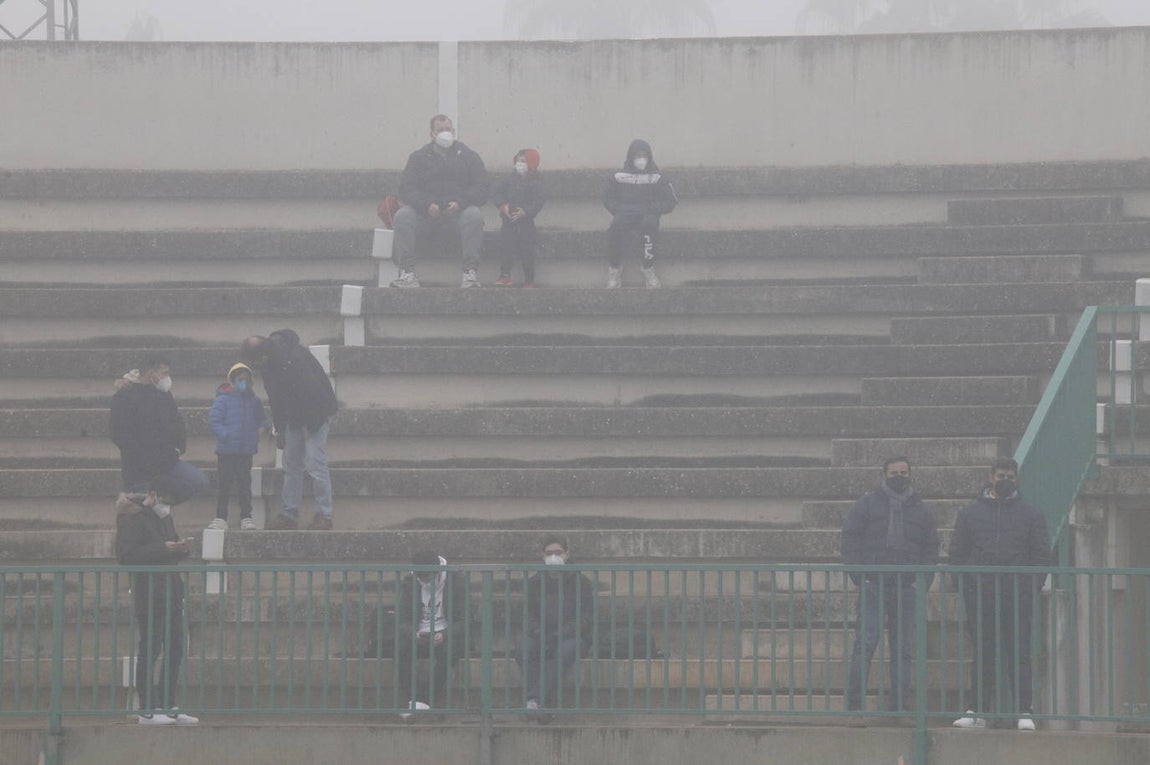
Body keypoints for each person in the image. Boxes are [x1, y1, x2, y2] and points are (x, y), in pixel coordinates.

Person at [949, 458, 1051, 732]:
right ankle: (977, 710)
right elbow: (957, 552)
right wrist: (965, 586)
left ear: (1016, 479)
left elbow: (1041, 555)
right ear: (991, 477)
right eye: (1001, 476)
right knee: (983, 652)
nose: (1005, 481)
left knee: (1019, 652)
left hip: (1017, 595)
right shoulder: (969, 514)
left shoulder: (1031, 514)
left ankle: (1024, 710)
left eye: (1010, 476)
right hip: (980, 594)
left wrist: (1031, 587)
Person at [840, 457, 939, 721]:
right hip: (874, 585)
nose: (899, 476)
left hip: (906, 587)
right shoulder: (866, 504)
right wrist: (859, 576)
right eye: (894, 472)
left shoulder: (921, 510)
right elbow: (850, 539)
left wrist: (922, 580)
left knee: (902, 651)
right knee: (865, 647)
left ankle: (898, 709)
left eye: (903, 472)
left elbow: (931, 547)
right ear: (884, 474)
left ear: (910, 474)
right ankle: (855, 709)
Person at [115, 480, 198, 725]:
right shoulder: (132, 518)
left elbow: (169, 548)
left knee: (175, 648)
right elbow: (127, 555)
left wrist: (182, 549)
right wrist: (163, 548)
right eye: (166, 500)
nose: (168, 506)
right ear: (153, 495)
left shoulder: (164, 518)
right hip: (149, 592)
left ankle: (167, 704)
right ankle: (147, 709)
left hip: (171, 590)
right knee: (150, 649)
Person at [240, 330, 338, 530]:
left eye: (255, 362)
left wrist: (310, 426)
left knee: (315, 462)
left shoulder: (296, 358)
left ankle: (324, 515)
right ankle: (289, 514)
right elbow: (276, 399)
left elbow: (312, 393)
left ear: (263, 355)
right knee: (291, 464)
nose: (255, 367)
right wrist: (281, 429)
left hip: (317, 413)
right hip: (294, 417)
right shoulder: (269, 366)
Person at [390, 114, 490, 289]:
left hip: (458, 217)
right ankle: (407, 273)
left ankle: (470, 274)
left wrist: (459, 203)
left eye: (448, 129)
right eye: (440, 130)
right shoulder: (418, 157)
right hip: (425, 216)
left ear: (453, 131)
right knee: (403, 215)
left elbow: (482, 187)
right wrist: (427, 204)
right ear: (432, 134)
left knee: (474, 215)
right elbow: (406, 189)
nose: (445, 133)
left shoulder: (469, 156)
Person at [109, 354, 208, 506]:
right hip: (138, 469)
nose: (167, 378)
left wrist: (178, 449)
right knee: (145, 509)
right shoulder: (124, 396)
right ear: (151, 373)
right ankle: (157, 509)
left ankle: (161, 507)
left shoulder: (164, 394)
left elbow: (178, 424)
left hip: (167, 462)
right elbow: (119, 434)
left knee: (199, 481)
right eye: (164, 373)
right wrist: (144, 458)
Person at [516, 537, 596, 724]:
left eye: (558, 552)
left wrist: (559, 634)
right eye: (549, 553)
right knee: (524, 649)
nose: (554, 556)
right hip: (540, 635)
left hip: (573, 636)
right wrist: (540, 633)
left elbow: (585, 617)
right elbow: (528, 616)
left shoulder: (581, 581)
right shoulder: (535, 582)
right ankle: (543, 704)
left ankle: (534, 699)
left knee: (565, 651)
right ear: (542, 556)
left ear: (567, 554)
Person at [393, 551, 470, 720]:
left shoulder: (455, 582)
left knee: (449, 652)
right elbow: (402, 620)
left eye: (426, 577)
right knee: (401, 649)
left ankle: (422, 700)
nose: (423, 581)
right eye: (420, 577)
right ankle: (414, 700)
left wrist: (444, 634)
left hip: (446, 634)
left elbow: (465, 620)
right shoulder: (411, 582)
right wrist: (413, 633)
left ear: (437, 572)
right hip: (419, 633)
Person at [602, 138, 678, 289]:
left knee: (649, 226)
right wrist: (618, 209)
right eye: (637, 156)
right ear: (631, 157)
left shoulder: (658, 177)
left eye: (644, 155)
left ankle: (647, 267)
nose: (641, 159)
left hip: (648, 213)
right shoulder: (619, 177)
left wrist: (654, 209)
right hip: (625, 212)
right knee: (616, 226)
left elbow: (671, 200)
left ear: (649, 157)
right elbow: (608, 198)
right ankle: (615, 268)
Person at [207, 363, 269, 531]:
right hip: (226, 451)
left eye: (247, 380)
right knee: (224, 484)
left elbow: (263, 419)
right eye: (240, 380)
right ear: (233, 380)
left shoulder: (254, 401)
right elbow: (214, 421)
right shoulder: (223, 399)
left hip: (245, 451)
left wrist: (261, 429)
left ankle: (246, 517)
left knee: (244, 484)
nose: (244, 383)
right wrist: (226, 435)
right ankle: (221, 517)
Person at [492, 148, 546, 287]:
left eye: (524, 161)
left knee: (528, 251)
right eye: (518, 160)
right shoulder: (509, 179)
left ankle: (529, 279)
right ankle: (505, 275)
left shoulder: (538, 181)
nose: (520, 164)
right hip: (508, 220)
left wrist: (526, 212)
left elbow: (539, 201)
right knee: (506, 248)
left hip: (526, 222)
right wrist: (502, 205)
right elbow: (497, 192)